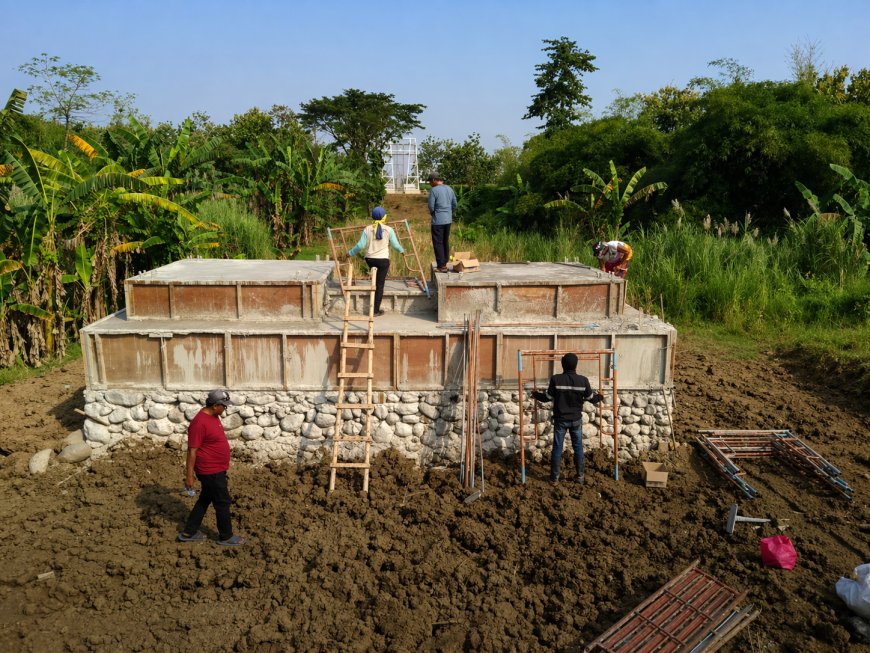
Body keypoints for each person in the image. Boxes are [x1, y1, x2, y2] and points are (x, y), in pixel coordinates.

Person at [178, 389, 245, 546]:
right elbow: (192, 450)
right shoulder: (199, 423)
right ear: (215, 405)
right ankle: (226, 536)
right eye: (224, 406)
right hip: (210, 471)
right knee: (222, 502)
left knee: (205, 499)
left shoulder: (213, 416)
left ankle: (189, 532)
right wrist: (189, 476)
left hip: (217, 469)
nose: (225, 409)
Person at [532, 353, 603, 485]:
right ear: (576, 365)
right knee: (578, 447)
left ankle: (554, 479)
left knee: (558, 447)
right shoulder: (583, 380)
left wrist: (535, 394)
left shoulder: (556, 379)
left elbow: (547, 398)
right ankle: (580, 477)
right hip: (576, 420)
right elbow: (591, 399)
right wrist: (600, 397)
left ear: (562, 364)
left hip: (560, 420)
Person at [348, 206, 405, 317]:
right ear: (384, 217)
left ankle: (372, 284)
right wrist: (402, 251)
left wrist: (349, 253)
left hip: (369, 259)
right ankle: (375, 311)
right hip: (383, 261)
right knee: (380, 285)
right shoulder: (389, 230)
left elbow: (360, 245)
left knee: (374, 279)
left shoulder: (367, 229)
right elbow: (395, 245)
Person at [427, 173, 457, 272]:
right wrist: (448, 212)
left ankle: (441, 266)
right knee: (445, 241)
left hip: (438, 221)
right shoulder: (449, 189)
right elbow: (454, 204)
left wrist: (434, 213)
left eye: (430, 181)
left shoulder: (434, 190)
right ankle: (445, 262)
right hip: (448, 220)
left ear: (435, 180)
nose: (430, 183)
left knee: (438, 242)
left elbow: (431, 206)